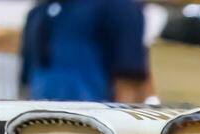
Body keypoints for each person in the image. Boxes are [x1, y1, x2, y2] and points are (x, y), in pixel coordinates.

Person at [19, 0, 151, 102]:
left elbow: (129, 82)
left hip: (94, 125)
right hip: (39, 122)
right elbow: (28, 81)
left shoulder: (118, 7)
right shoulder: (36, 14)